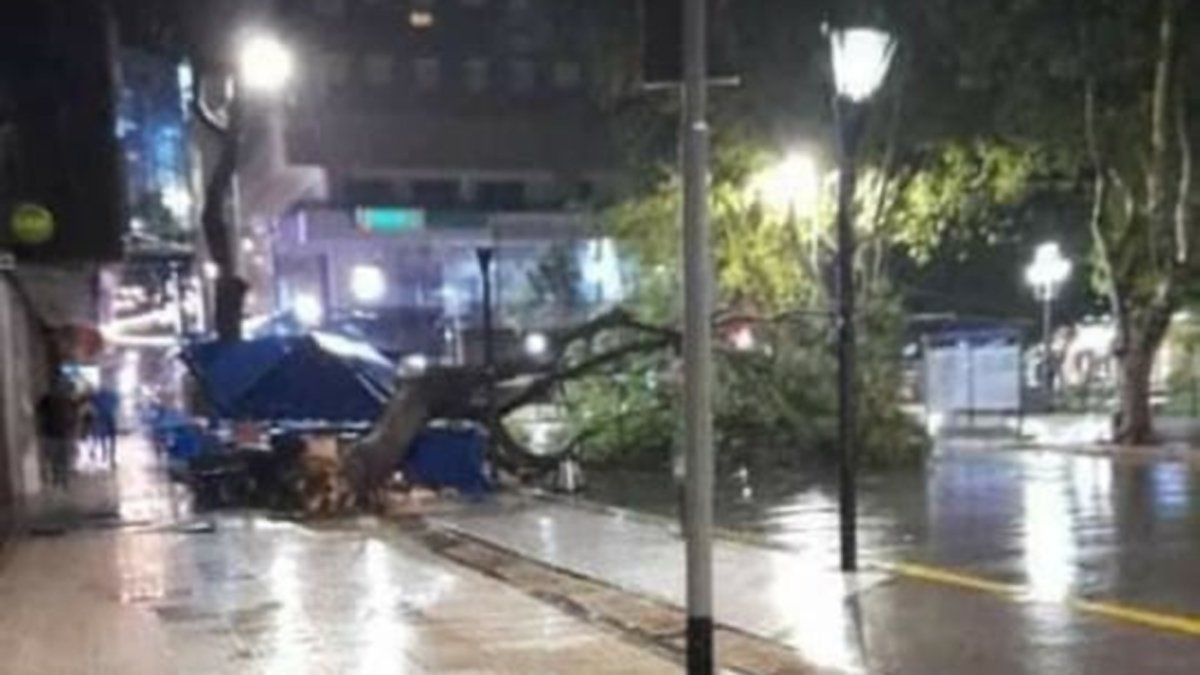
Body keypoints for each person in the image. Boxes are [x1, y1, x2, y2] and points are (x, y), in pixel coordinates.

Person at [37, 378, 79, 489]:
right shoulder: (48, 399)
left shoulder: (68, 400)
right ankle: (60, 479)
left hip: (59, 433)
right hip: (56, 433)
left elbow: (74, 416)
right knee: (58, 457)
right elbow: (74, 416)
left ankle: (61, 479)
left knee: (60, 457)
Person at [91, 387, 119, 468]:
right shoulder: (112, 395)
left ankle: (106, 454)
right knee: (111, 438)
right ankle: (110, 456)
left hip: (103, 418)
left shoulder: (98, 396)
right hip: (108, 418)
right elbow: (116, 404)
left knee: (103, 436)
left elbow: (93, 402)